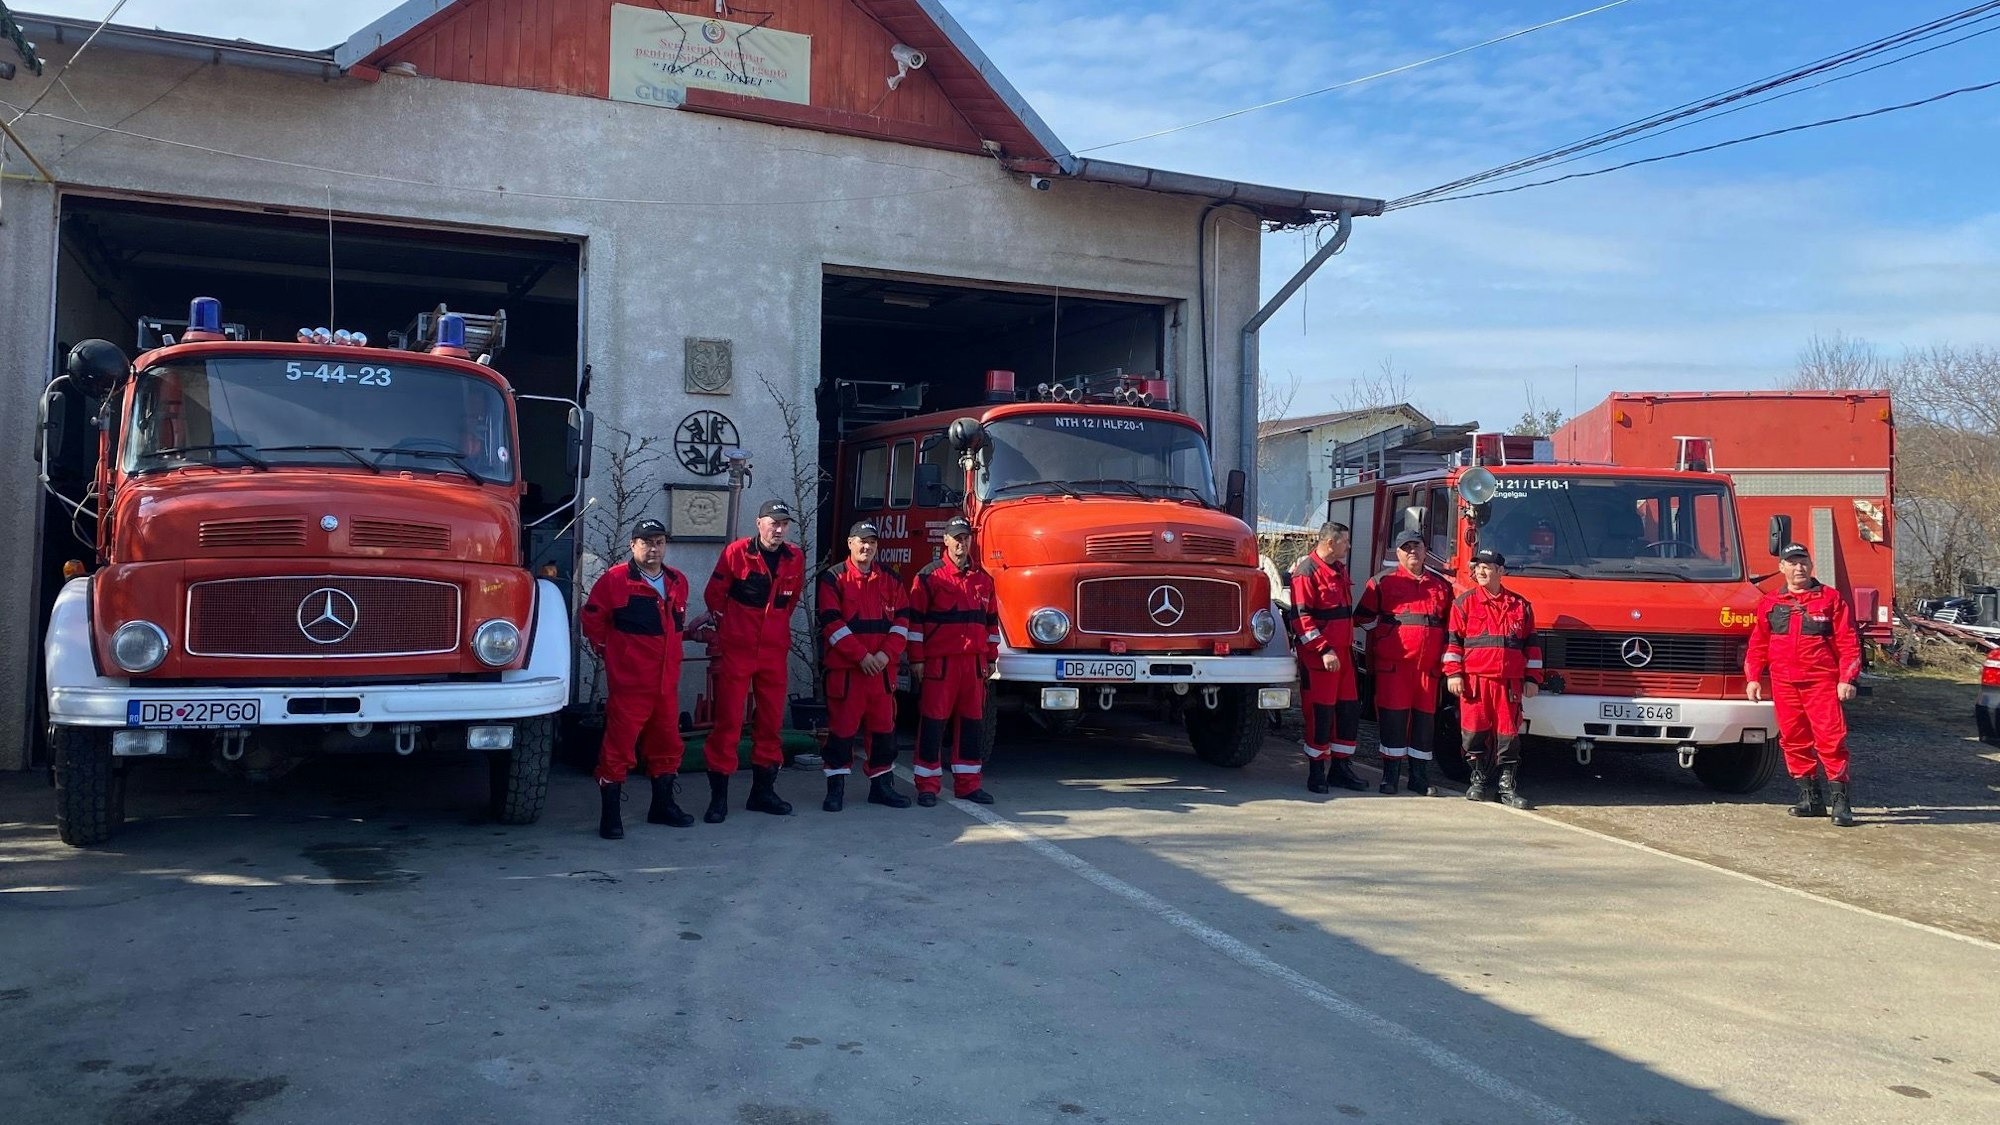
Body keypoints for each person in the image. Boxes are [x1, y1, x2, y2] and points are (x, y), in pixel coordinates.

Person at [579, 519, 693, 839]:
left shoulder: (676, 580)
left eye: (659, 542)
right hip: (631, 686)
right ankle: (611, 816)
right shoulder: (615, 580)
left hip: (666, 685)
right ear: (633, 546)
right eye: (646, 542)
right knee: (618, 750)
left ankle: (662, 807)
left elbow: (672, 628)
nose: (654, 548)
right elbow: (592, 620)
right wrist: (612, 654)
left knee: (667, 746)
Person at [1746, 543, 1863, 827]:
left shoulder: (1831, 600)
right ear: (1781, 568)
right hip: (1784, 683)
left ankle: (1841, 802)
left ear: (1811, 566)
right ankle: (1809, 798)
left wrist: (1847, 678)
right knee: (1793, 740)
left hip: (1821, 682)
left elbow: (1848, 642)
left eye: (1803, 562)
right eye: (1792, 562)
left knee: (1831, 740)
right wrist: (1752, 678)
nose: (1799, 568)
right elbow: (1758, 643)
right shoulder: (1771, 603)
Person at [701, 499, 804, 821]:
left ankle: (762, 793)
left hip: (773, 652)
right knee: (729, 722)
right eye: (773, 522)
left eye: (784, 523)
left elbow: (791, 600)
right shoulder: (736, 553)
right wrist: (730, 627)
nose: (779, 529)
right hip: (738, 649)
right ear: (759, 523)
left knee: (771, 723)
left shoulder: (795, 557)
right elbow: (713, 596)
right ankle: (719, 799)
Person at [815, 520, 914, 812]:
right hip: (848, 675)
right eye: (861, 541)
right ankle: (835, 791)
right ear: (850, 543)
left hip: (881, 674)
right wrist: (861, 656)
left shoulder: (892, 580)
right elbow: (831, 623)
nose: (866, 547)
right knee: (841, 734)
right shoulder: (833, 579)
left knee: (884, 733)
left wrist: (884, 656)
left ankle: (882, 788)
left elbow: (902, 622)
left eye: (871, 542)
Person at [907, 516, 999, 807]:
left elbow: (991, 624)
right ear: (945, 540)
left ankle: (968, 784)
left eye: (966, 538)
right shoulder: (928, 577)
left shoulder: (984, 580)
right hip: (940, 664)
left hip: (973, 665)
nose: (962, 543)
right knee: (933, 725)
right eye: (956, 538)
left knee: (972, 726)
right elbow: (915, 623)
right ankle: (927, 785)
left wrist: (992, 659)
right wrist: (917, 660)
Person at [1444, 548, 1542, 808]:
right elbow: (1453, 643)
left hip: (1508, 685)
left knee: (1508, 735)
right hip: (1475, 683)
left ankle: (1506, 787)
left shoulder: (1521, 606)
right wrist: (1454, 674)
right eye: (1478, 567)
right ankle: (1477, 781)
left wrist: (1533, 678)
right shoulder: (1463, 603)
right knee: (1473, 733)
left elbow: (1531, 647)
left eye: (1487, 567)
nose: (1481, 571)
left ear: (1501, 571)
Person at [1356, 530, 1452, 795]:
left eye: (1417, 546)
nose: (1412, 551)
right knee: (1393, 722)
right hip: (1394, 668)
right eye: (1406, 547)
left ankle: (1419, 778)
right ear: (1397, 553)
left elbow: (1450, 625)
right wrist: (1387, 635)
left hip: (1428, 669)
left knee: (1424, 725)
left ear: (1425, 550)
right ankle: (1390, 777)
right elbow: (1362, 617)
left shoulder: (1441, 585)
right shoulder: (1382, 582)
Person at [1289, 522, 1367, 793]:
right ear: (1331, 542)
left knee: (1347, 712)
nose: (1348, 546)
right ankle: (1316, 772)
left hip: (1343, 655)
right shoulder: (1306, 573)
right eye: (1345, 541)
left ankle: (1341, 768)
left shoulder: (1338, 569)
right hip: (1320, 658)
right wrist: (1323, 649)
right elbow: (1301, 618)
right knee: (1320, 714)